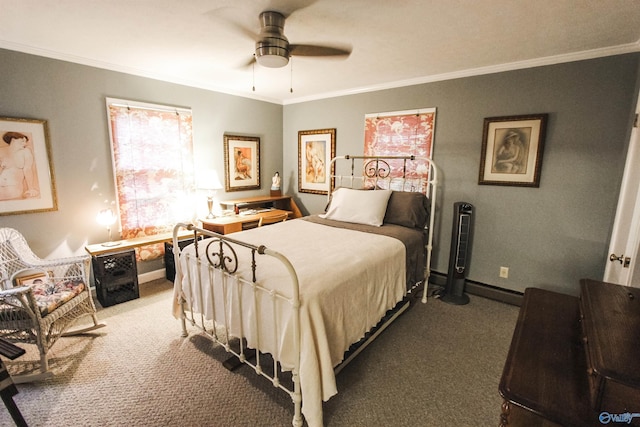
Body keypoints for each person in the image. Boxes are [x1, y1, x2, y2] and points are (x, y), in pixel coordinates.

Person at [0, 131, 39, 200]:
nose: (25, 144)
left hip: (14, 188)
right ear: (13, 140)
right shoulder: (1, 151)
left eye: (25, 142)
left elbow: (28, 170)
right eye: (22, 141)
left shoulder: (25, 152)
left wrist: (31, 189)